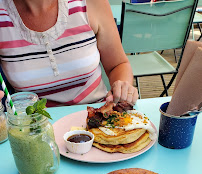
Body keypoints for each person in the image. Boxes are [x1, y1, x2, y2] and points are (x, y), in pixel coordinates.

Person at [0, 0, 138, 107]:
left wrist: (122, 87)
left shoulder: (92, 3)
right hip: (33, 129)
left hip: (98, 120)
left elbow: (118, 64)